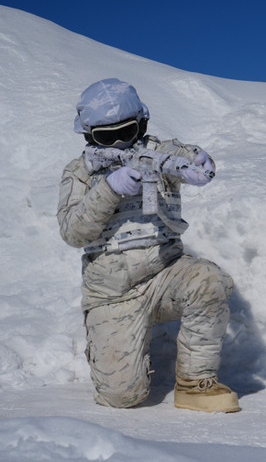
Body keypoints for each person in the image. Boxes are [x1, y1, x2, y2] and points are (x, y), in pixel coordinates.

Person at [57, 78, 240, 411]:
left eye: (125, 132)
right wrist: (108, 189)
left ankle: (196, 384)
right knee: (121, 396)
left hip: (165, 275)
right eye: (104, 136)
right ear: (88, 135)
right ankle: (106, 348)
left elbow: (187, 157)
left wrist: (199, 163)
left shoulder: (159, 153)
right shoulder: (80, 173)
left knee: (209, 280)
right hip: (112, 294)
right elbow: (73, 233)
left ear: (141, 125)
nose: (116, 144)